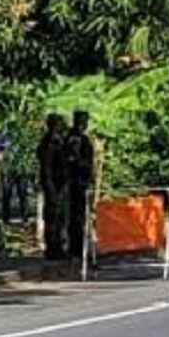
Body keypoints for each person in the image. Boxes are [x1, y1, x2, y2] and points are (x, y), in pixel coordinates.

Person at [62, 110, 96, 266]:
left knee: (79, 217)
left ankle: (78, 248)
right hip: (75, 182)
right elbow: (72, 160)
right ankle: (75, 249)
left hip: (80, 182)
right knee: (75, 217)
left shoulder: (81, 138)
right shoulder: (73, 139)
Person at [36, 113, 69, 260]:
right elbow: (46, 166)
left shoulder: (58, 141)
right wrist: (50, 186)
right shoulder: (49, 142)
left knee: (60, 217)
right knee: (53, 216)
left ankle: (58, 246)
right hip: (53, 183)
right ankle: (52, 247)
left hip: (60, 183)